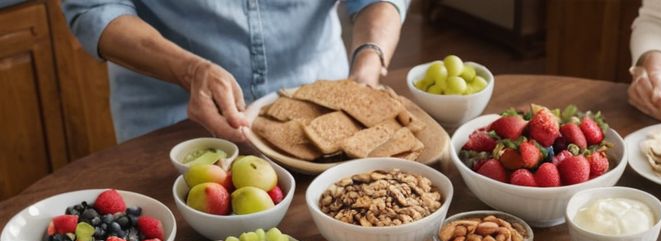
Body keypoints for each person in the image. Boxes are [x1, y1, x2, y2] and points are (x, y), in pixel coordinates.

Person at [63, 1, 408, 142]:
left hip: (322, 104)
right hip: (173, 118)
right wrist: (190, 70)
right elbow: (96, 9)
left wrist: (368, 63)